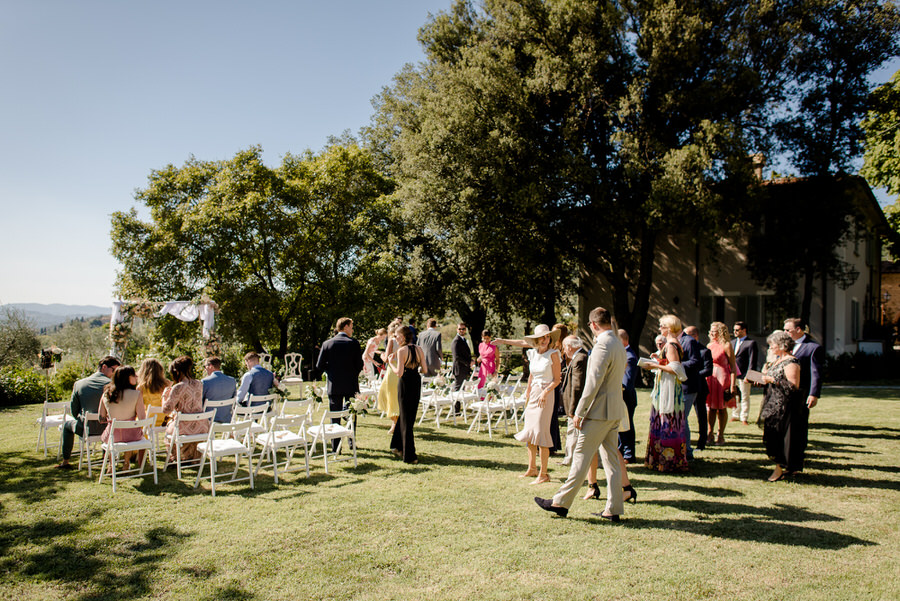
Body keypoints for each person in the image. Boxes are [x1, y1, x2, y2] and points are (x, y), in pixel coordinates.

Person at [534, 307, 628, 521]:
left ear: (594, 325)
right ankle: (613, 508)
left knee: (580, 457)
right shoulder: (617, 343)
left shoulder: (603, 344)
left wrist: (580, 411)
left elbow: (593, 382)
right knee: (611, 460)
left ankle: (560, 502)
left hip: (598, 412)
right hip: (613, 410)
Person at [495, 325, 561, 485]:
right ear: (536, 340)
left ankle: (544, 473)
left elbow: (557, 380)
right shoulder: (532, 353)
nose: (545, 340)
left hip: (546, 395)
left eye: (547, 337)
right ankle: (532, 468)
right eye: (541, 337)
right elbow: (531, 376)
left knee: (541, 432)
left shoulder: (553, 354)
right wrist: (528, 392)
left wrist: (545, 392)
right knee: (530, 432)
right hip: (533, 396)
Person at [641, 314, 689, 472]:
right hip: (666, 386)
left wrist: (655, 366)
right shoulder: (672, 344)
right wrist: (659, 361)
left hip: (668, 390)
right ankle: (661, 460)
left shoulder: (671, 344)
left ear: (668, 328)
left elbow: (675, 368)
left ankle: (668, 461)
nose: (659, 328)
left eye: (661, 326)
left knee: (667, 422)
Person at [57, 355, 121, 469]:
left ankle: (65, 460)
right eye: (114, 370)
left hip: (86, 428)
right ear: (104, 367)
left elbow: (74, 410)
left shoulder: (79, 384)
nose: (115, 374)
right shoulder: (114, 385)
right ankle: (105, 458)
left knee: (67, 425)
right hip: (110, 429)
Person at [757, 330, 802, 481]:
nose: (770, 348)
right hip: (772, 403)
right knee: (772, 435)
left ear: (782, 346)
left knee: (781, 437)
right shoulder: (777, 360)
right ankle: (782, 467)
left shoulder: (791, 362)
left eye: (773, 345)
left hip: (785, 406)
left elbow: (793, 386)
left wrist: (773, 380)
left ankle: (781, 468)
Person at [782, 317, 824, 475]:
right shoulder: (786, 347)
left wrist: (814, 394)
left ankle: (796, 462)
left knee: (798, 427)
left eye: (788, 330)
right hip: (784, 394)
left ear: (798, 330)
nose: (785, 333)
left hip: (801, 394)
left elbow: (816, 374)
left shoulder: (812, 348)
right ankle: (785, 459)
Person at [316, 317, 365, 451]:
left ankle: (335, 446)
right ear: (345, 327)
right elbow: (360, 365)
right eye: (351, 326)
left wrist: (331, 371)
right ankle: (351, 443)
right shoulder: (354, 343)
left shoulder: (327, 343)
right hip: (351, 384)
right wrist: (352, 373)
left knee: (335, 416)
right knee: (352, 414)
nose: (353, 329)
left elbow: (319, 365)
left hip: (334, 385)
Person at [388, 326, 426, 464]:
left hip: (404, 383)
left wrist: (390, 363)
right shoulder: (419, 349)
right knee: (409, 416)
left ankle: (410, 456)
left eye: (397, 336)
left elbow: (399, 372)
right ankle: (396, 445)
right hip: (416, 381)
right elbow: (425, 369)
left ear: (403, 337)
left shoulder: (401, 350)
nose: (396, 339)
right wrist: (415, 365)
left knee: (405, 419)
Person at [99, 365, 147, 469]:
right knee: (131, 429)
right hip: (132, 436)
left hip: (112, 435)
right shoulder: (136, 394)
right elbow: (143, 419)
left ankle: (111, 465)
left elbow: (101, 417)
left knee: (111, 434)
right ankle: (126, 462)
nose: (137, 376)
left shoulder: (106, 394)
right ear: (128, 377)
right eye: (134, 375)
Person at [162, 356, 208, 462]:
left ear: (176, 371)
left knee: (169, 428)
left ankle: (174, 457)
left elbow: (166, 410)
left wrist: (164, 396)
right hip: (201, 426)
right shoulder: (199, 384)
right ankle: (192, 457)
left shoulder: (178, 387)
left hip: (184, 427)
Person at [706, 321, 738, 445]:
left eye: (715, 331)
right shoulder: (709, 345)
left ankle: (721, 434)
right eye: (711, 331)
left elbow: (733, 367)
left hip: (723, 377)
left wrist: (733, 385)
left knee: (721, 408)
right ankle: (710, 433)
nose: (712, 333)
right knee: (711, 408)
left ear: (721, 332)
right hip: (711, 378)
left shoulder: (727, 345)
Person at [560, 335, 588, 466]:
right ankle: (570, 457)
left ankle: (570, 458)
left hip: (575, 405)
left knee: (573, 432)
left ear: (570, 347)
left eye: (564, 347)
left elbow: (577, 386)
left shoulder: (580, 359)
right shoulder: (578, 357)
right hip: (572, 404)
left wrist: (573, 410)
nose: (564, 350)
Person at [678, 322, 702, 461]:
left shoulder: (689, 341)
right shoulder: (677, 341)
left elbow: (695, 362)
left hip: (688, 386)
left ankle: (688, 452)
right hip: (679, 386)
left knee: (682, 419)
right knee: (680, 419)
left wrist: (677, 364)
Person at [684, 326, 711, 450]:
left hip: (699, 386)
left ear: (695, 335)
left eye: (688, 335)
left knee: (701, 415)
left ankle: (702, 442)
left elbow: (708, 370)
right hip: (686, 386)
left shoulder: (704, 350)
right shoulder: (684, 347)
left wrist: (695, 375)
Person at [732, 321, 759, 426]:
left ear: (744, 330)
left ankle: (744, 417)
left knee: (744, 396)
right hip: (733, 374)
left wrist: (750, 375)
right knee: (734, 395)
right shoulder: (732, 342)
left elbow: (753, 361)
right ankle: (735, 415)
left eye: (737, 330)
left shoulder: (751, 343)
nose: (735, 332)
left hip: (744, 374)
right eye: (734, 330)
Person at [618, 329, 639, 463]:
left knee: (627, 426)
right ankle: (621, 451)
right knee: (621, 427)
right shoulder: (622, 354)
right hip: (620, 396)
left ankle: (629, 454)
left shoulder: (629, 357)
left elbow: (627, 381)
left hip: (626, 397)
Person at [376, 321, 402, 432]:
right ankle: (395, 423)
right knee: (396, 397)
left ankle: (395, 423)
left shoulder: (391, 340)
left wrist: (381, 355)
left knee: (385, 394)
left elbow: (386, 358)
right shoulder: (403, 341)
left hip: (392, 369)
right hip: (401, 369)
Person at [137, 357, 171, 428]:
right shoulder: (167, 384)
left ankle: (145, 439)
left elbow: (139, 407)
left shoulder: (141, 387)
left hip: (149, 420)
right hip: (165, 419)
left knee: (136, 420)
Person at [201, 356, 237, 423]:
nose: (205, 369)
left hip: (208, 420)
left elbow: (199, 402)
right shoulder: (232, 380)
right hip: (227, 419)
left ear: (211, 366)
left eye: (205, 366)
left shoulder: (204, 382)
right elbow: (234, 399)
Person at [451, 322, 474, 391]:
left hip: (464, 369)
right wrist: (468, 363)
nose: (461, 330)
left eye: (463, 329)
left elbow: (465, 354)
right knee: (458, 389)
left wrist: (471, 360)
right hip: (459, 369)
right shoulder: (456, 341)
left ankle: (459, 402)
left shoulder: (463, 340)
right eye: (460, 329)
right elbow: (456, 357)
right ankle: (456, 402)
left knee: (462, 389)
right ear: (457, 330)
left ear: (465, 329)